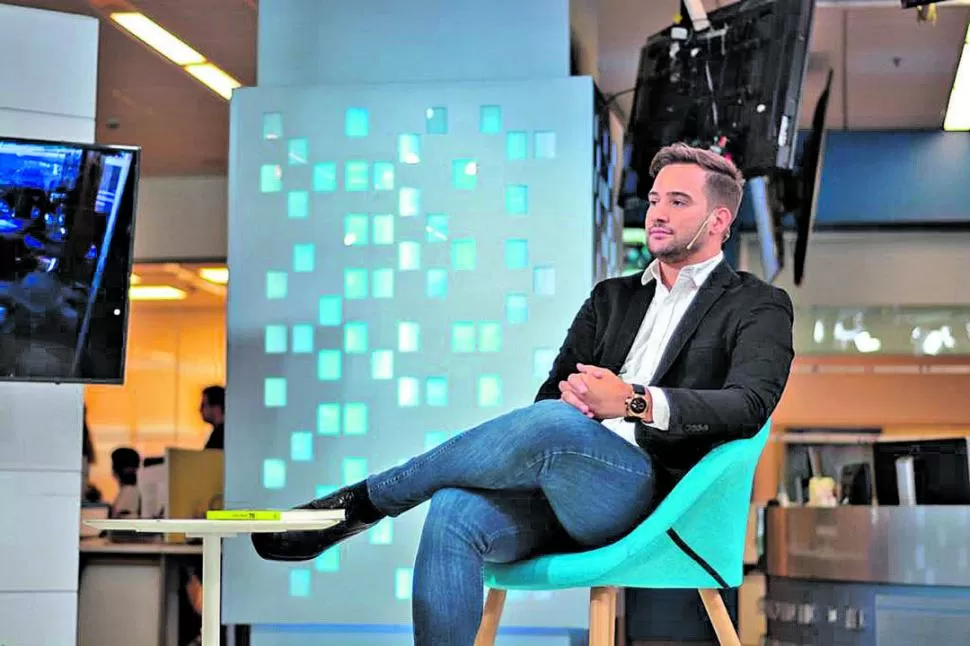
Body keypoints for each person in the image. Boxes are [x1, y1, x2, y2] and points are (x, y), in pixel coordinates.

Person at [251, 142, 795, 645]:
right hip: (562, 487)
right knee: (455, 507)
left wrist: (632, 400)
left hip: (653, 498)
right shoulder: (612, 299)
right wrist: (575, 403)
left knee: (556, 425)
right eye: (654, 200)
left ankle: (364, 503)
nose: (658, 212)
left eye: (678, 202)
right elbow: (549, 397)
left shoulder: (755, 304)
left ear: (718, 220)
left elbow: (748, 405)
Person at [200, 385, 225, 450]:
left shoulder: (219, 436)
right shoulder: (222, 433)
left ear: (216, 408)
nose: (200, 410)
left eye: (204, 405)